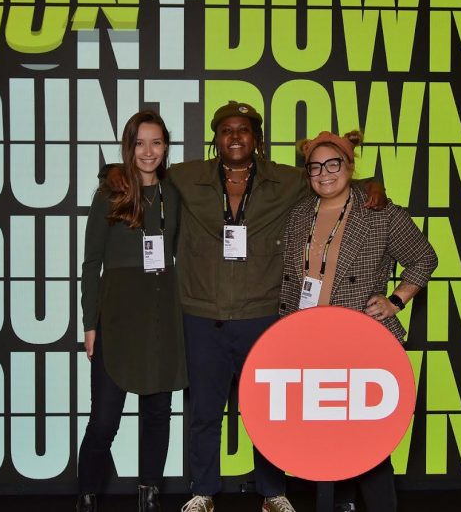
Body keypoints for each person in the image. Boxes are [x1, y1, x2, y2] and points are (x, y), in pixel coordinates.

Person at [106, 102, 386, 512]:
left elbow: (332, 179)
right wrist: (111, 174)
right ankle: (203, 491)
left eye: (244, 130)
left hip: (262, 316)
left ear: (256, 138)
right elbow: (145, 175)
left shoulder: (287, 180)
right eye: (226, 130)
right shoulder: (186, 177)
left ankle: (274, 493)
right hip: (202, 315)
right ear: (215, 139)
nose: (235, 137)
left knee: (268, 413)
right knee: (204, 411)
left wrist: (371, 186)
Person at [279, 130, 438, 512]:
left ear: (349, 167)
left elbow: (424, 257)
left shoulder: (379, 211)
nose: (324, 174)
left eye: (333, 164)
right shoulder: (299, 213)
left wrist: (396, 299)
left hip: (360, 340)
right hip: (306, 339)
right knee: (321, 437)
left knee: (367, 437)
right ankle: (340, 504)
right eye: (315, 167)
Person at [78, 110, 187, 512]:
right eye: (140, 143)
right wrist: (90, 324)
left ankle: (149, 496)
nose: (148, 151)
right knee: (104, 419)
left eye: (156, 142)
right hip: (117, 316)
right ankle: (86, 497)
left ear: (165, 147)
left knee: (158, 413)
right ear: (129, 146)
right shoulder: (110, 193)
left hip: (162, 313)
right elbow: (91, 264)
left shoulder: (174, 193)